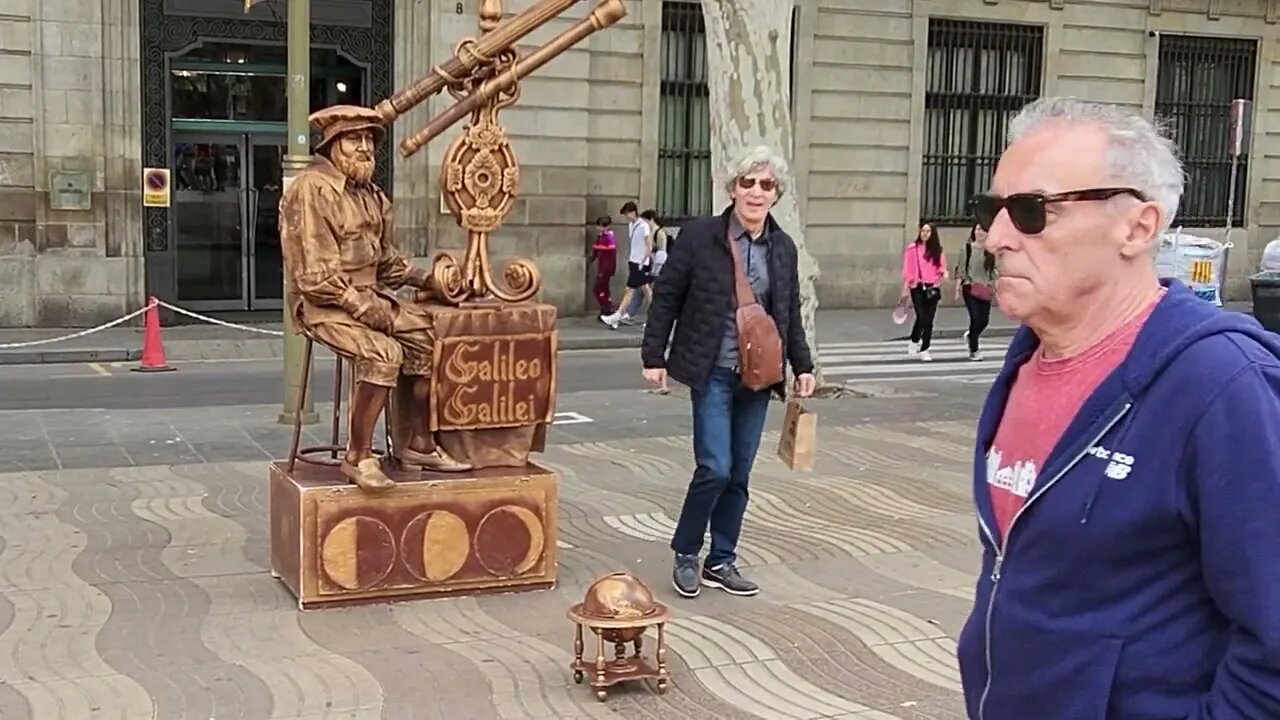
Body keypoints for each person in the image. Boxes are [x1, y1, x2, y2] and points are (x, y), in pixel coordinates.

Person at [957, 96, 1280, 719]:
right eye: (991, 209)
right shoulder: (1027, 357)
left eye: (1032, 211)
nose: (996, 237)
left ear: (1138, 227)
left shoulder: (1223, 387)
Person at [641, 145, 815, 599]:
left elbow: (788, 312)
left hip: (758, 377)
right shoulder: (700, 237)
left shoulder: (783, 248)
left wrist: (804, 365)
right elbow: (668, 297)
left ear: (776, 194)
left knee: (739, 472)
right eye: (748, 182)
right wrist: (653, 356)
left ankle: (722, 559)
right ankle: (686, 551)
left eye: (766, 185)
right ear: (732, 188)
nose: (756, 192)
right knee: (714, 467)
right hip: (712, 369)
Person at [279, 105, 472, 491]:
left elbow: (386, 261)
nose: (364, 147)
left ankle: (417, 444)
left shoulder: (371, 195)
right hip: (323, 304)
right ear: (332, 146)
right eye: (354, 139)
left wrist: (429, 280)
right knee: (383, 352)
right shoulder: (311, 190)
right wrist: (358, 304)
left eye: (368, 139)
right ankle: (358, 456)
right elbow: (313, 273)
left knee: (427, 337)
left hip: (370, 295)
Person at [600, 201, 652, 328]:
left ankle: (617, 316)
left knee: (630, 289)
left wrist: (643, 260)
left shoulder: (643, 226)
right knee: (645, 289)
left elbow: (649, 246)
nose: (626, 216)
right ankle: (657, 315)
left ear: (633, 212)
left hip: (640, 263)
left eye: (627, 213)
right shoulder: (631, 225)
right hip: (633, 261)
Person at [901, 222, 947, 361]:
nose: (925, 234)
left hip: (932, 287)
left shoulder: (937, 250)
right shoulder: (912, 248)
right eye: (923, 231)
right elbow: (907, 269)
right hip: (917, 286)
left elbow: (942, 268)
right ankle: (914, 340)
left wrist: (942, 276)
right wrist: (906, 288)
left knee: (930, 319)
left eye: (928, 231)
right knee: (921, 316)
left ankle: (925, 348)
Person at [953, 223, 998, 361]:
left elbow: (994, 271)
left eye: (983, 230)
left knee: (984, 320)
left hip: (985, 288)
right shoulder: (967, 248)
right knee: (975, 317)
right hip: (970, 287)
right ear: (973, 232)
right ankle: (974, 350)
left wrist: (996, 287)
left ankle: (971, 335)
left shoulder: (991, 250)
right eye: (978, 229)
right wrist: (957, 288)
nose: (980, 232)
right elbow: (961, 269)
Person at [590, 215, 617, 315]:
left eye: (603, 226)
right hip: (601, 266)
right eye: (599, 226)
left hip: (606, 267)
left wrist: (611, 269)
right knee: (604, 289)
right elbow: (596, 250)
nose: (600, 228)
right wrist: (592, 258)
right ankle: (606, 308)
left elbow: (612, 254)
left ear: (608, 226)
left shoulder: (609, 238)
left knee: (598, 288)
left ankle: (608, 306)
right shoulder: (600, 237)